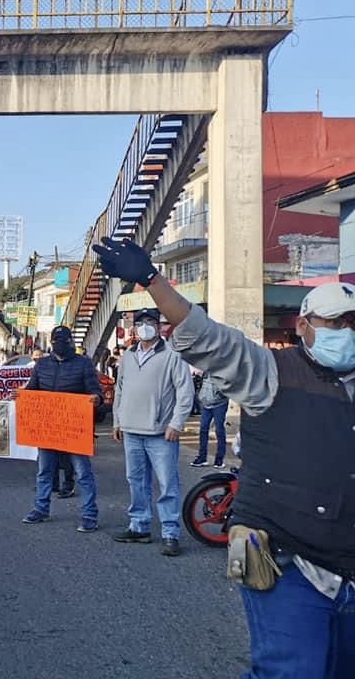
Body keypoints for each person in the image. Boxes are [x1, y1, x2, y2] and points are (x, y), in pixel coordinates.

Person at [95, 237, 355, 676]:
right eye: (335, 322)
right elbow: (209, 338)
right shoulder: (270, 372)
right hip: (288, 561)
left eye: (353, 322)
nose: (346, 331)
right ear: (303, 325)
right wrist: (151, 279)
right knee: (292, 672)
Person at [110, 308, 194, 557]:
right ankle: (139, 526)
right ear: (134, 328)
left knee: (167, 485)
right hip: (131, 430)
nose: (145, 326)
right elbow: (120, 390)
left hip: (161, 433)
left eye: (150, 322)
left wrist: (176, 424)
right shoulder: (128, 356)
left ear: (159, 326)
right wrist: (117, 421)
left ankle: (170, 533)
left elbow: (185, 391)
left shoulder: (173, 355)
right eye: (140, 322)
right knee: (136, 481)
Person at [18, 326, 103, 533]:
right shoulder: (42, 365)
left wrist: (96, 399)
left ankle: (89, 515)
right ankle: (41, 509)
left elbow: (95, 391)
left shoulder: (83, 364)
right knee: (44, 471)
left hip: (74, 429)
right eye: (56, 341)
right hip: (48, 428)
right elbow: (32, 390)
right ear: (51, 343)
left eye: (63, 341)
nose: (59, 345)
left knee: (83, 473)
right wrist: (21, 396)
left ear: (70, 342)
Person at [192, 372, 229, 469]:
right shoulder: (206, 369)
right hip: (206, 404)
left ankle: (219, 459)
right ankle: (202, 458)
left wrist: (220, 395)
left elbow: (229, 385)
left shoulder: (224, 369)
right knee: (203, 430)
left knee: (219, 430)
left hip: (219, 404)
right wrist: (201, 397)